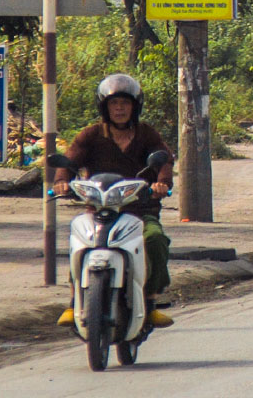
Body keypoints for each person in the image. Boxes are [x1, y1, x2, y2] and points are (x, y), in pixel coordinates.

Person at [53, 74, 176, 328]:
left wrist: (161, 183)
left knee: (154, 239)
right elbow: (70, 160)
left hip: (139, 211)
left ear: (135, 107)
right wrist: (61, 182)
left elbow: (164, 160)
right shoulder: (90, 135)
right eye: (114, 103)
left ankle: (150, 303)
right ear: (105, 107)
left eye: (125, 103)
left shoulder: (147, 135)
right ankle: (74, 300)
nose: (119, 108)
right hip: (99, 209)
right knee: (80, 240)